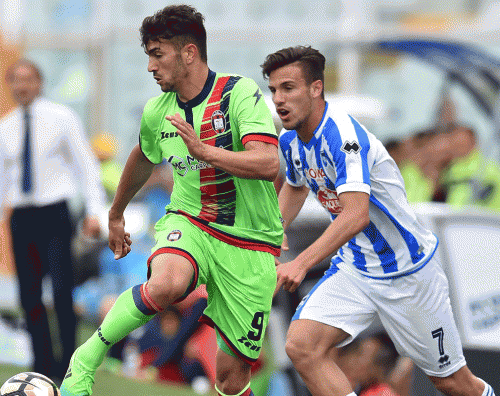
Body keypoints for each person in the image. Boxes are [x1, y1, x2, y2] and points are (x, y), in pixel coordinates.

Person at [60, 4, 283, 396]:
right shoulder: (156, 111)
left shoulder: (238, 94)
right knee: (166, 284)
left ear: (189, 53)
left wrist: (206, 151)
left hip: (250, 243)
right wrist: (115, 213)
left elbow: (268, 163)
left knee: (231, 379)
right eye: (148, 56)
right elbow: (144, 157)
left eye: (157, 54)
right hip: (189, 222)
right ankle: (85, 359)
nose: (150, 66)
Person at [261, 45, 496, 396]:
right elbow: (296, 185)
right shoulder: (292, 139)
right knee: (302, 346)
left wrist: (300, 262)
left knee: (452, 383)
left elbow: (356, 215)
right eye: (274, 89)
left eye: (289, 88)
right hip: (356, 269)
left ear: (316, 88)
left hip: (408, 275)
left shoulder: (344, 137)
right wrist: (271, 234)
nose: (279, 99)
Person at [0, 59, 106, 381]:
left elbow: (86, 165)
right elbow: (4, 179)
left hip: (55, 212)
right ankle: (41, 365)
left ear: (40, 82)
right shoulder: (7, 126)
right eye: (16, 80)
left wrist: (95, 209)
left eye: (28, 79)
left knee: (62, 292)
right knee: (28, 295)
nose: (22, 86)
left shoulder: (62, 118)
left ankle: (70, 366)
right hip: (21, 216)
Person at [440, 124, 500, 211]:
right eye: (453, 143)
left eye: (460, 144)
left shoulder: (485, 170)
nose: (456, 147)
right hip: (458, 219)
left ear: (473, 142)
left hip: (482, 220)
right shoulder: (451, 167)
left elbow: (459, 205)